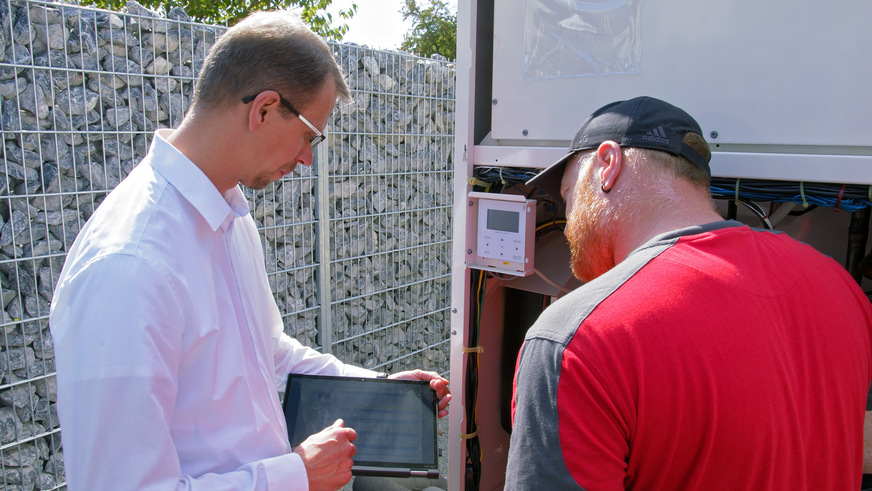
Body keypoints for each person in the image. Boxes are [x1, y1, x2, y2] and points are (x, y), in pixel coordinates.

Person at [49, 11, 450, 491]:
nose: (307, 158)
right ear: (263, 109)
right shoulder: (130, 263)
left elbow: (268, 353)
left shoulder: (228, 218)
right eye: (309, 135)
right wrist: (294, 475)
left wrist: (380, 393)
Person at [506, 96, 872, 490]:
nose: (567, 223)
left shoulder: (576, 339)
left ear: (607, 165)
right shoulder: (838, 284)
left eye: (568, 195)